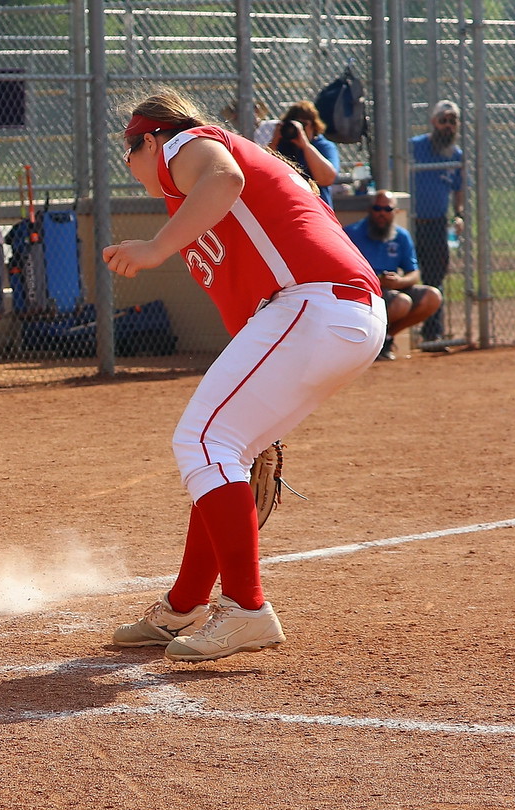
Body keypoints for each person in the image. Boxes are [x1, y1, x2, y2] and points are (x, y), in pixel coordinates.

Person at [102, 89, 385, 662]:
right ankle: (185, 604)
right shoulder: (195, 187)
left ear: (150, 138)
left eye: (128, 154)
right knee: (222, 448)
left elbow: (224, 179)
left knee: (202, 441)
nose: (130, 169)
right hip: (328, 313)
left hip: (315, 304)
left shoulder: (188, 143)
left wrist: (155, 248)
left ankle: (247, 608)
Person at [343, 191, 440, 361]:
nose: (382, 213)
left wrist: (400, 281)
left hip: (393, 288)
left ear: (395, 212)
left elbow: (414, 273)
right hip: (366, 290)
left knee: (432, 296)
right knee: (402, 302)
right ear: (370, 210)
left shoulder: (401, 236)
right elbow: (343, 271)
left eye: (387, 209)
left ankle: (386, 339)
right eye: (377, 208)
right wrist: (376, 280)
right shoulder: (352, 233)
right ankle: (372, 344)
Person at [410, 99, 465, 342]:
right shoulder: (414, 147)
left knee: (434, 279)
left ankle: (433, 333)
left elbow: (459, 190)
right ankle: (400, 333)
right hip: (409, 225)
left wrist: (459, 214)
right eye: (443, 120)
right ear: (433, 122)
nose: (448, 125)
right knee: (404, 276)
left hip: (436, 225)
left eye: (453, 121)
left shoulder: (456, 155)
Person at [266, 100, 339, 207]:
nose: (298, 130)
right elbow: (263, 170)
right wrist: (275, 140)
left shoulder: (323, 146)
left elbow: (326, 179)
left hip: (316, 207)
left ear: (313, 126)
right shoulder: (282, 145)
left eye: (303, 125)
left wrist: (305, 145)